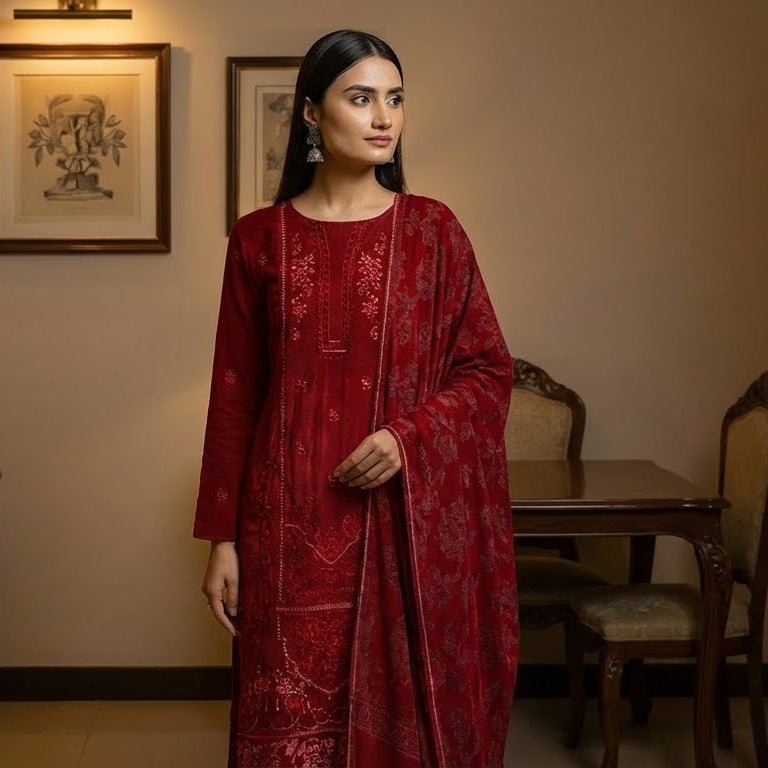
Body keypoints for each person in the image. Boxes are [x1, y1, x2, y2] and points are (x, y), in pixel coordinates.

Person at [194, 29, 518, 768]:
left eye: (395, 100)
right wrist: (222, 538)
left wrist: (407, 438)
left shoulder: (433, 233)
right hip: (285, 524)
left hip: (395, 522)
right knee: (290, 733)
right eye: (361, 97)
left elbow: (486, 371)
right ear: (312, 113)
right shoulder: (258, 240)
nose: (384, 118)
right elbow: (234, 395)